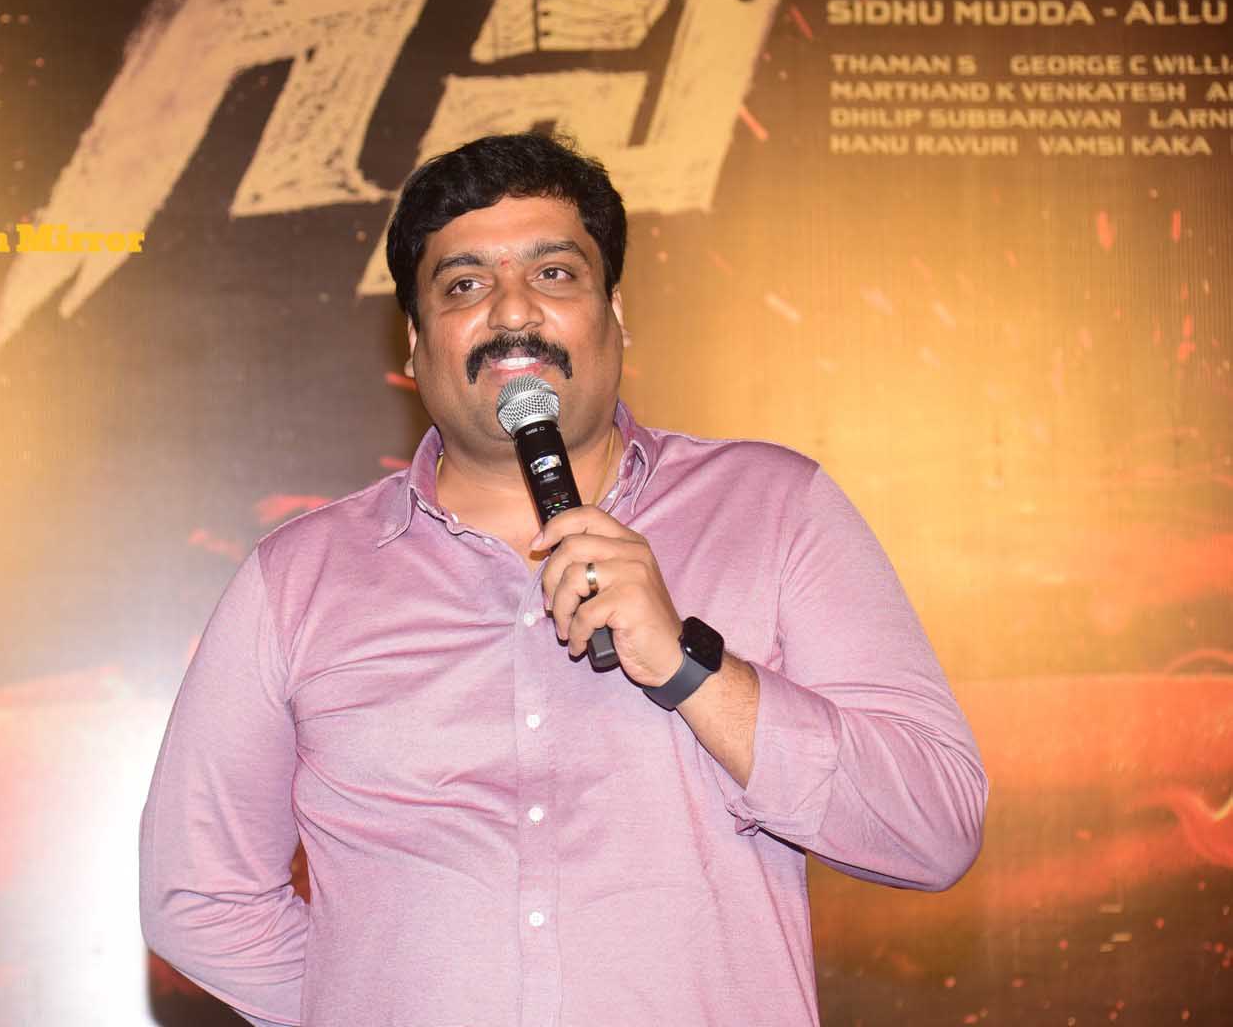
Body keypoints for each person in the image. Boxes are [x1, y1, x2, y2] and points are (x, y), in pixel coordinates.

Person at [139, 132, 988, 1027]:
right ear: (416, 342)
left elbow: (930, 829)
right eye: (463, 285)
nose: (512, 311)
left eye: (552, 274)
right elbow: (201, 897)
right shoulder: (299, 579)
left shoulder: (775, 508)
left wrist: (691, 668)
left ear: (613, 313)